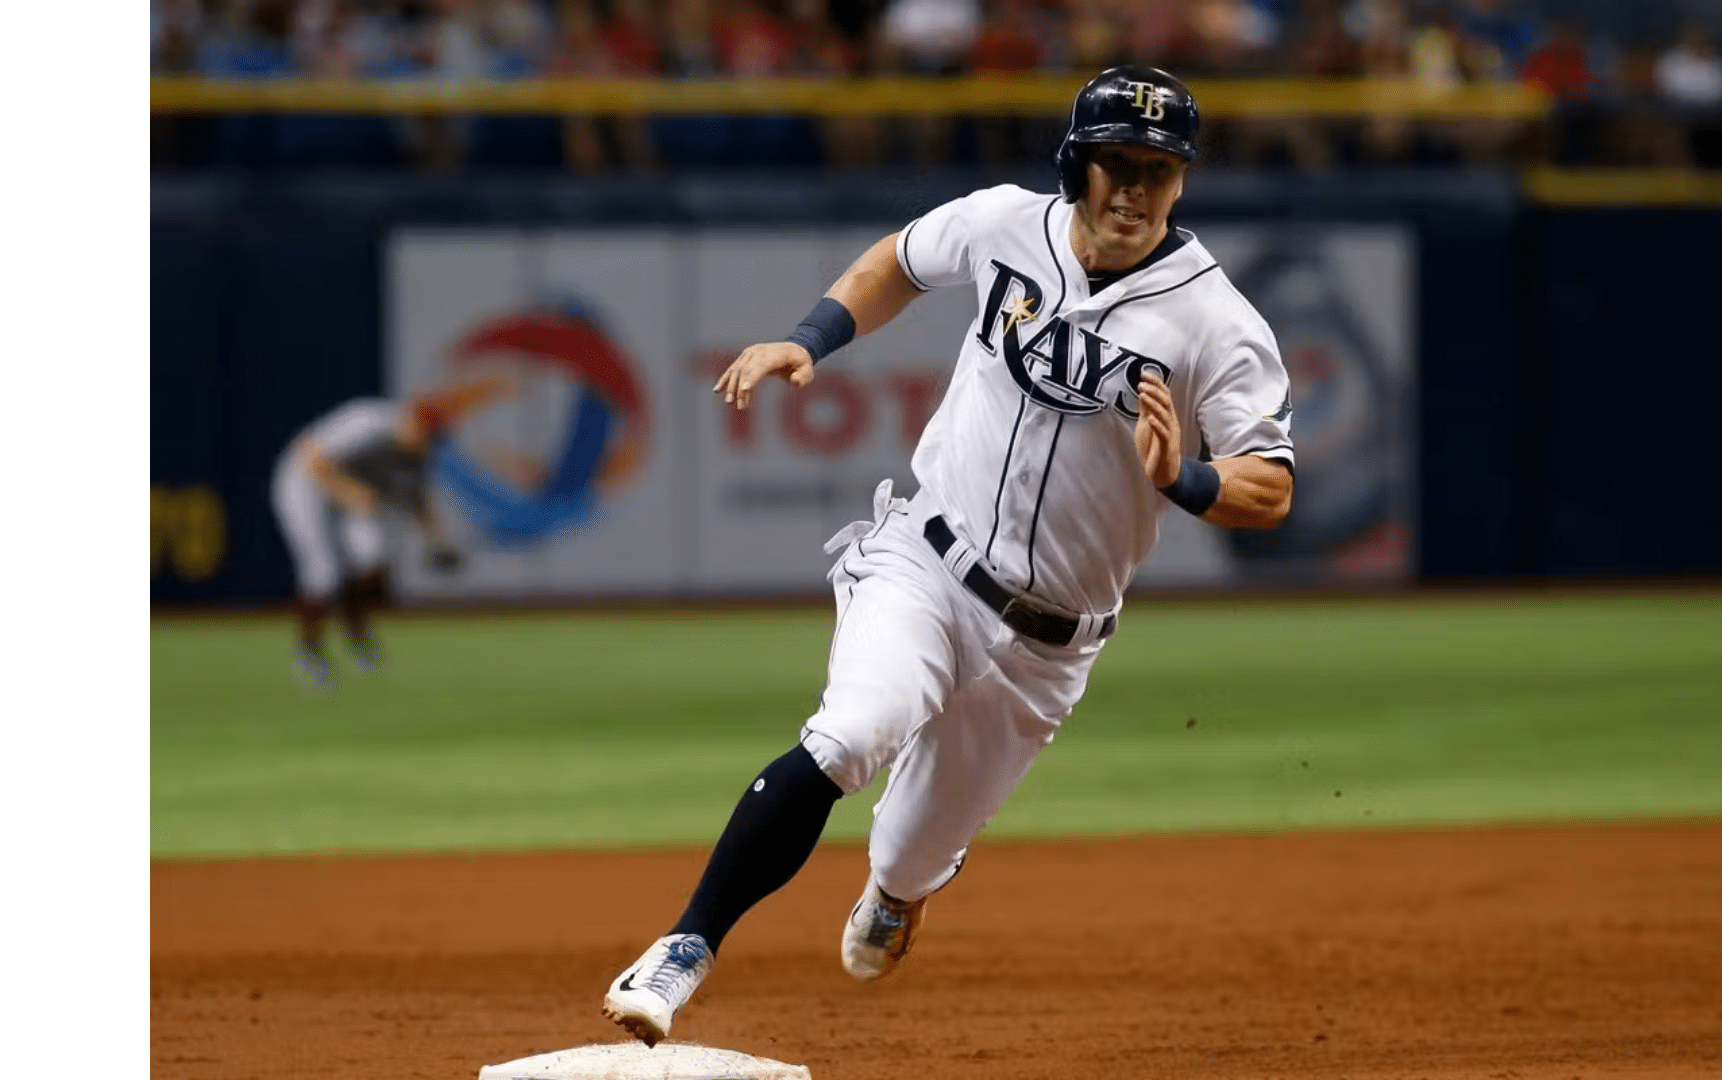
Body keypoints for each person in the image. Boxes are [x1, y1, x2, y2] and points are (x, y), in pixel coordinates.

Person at [602, 64, 1297, 1047]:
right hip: (928, 565)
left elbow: (1270, 487)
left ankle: (905, 883)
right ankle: (683, 950)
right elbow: (899, 259)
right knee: (851, 734)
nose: (1134, 189)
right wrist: (810, 339)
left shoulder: (1216, 322)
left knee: (911, 852)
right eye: (1115, 166)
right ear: (1075, 166)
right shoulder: (1005, 223)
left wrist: (1184, 477)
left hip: (1049, 646)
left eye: (1159, 168)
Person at [270, 393, 470, 688]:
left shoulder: (416, 453)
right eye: (426, 434)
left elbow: (417, 498)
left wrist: (438, 541)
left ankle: (355, 630)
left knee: (373, 560)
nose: (427, 443)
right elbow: (308, 457)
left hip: (353, 493)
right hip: (304, 483)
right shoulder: (368, 421)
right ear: (410, 420)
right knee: (322, 572)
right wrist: (347, 492)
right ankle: (310, 653)